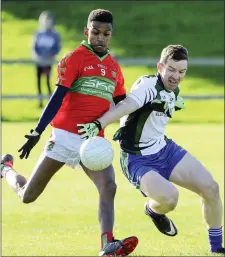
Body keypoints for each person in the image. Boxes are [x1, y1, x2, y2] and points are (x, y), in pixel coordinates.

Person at [1, 9, 138, 256]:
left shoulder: (115, 68)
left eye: (106, 34)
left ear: (110, 35)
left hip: (93, 143)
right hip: (63, 137)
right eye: (95, 32)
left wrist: (134, 130)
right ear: (87, 32)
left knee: (109, 186)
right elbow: (56, 98)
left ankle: (107, 244)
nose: (100, 38)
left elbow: (121, 105)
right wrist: (38, 131)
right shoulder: (74, 58)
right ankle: (6, 169)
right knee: (27, 196)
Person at [77, 45, 225, 254]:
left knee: (211, 188)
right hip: (138, 159)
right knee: (169, 199)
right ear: (160, 66)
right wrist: (99, 124)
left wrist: (173, 102)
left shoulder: (173, 87)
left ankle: (217, 248)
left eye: (182, 72)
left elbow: (161, 105)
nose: (176, 76)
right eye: (171, 70)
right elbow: (127, 105)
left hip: (165, 149)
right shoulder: (148, 85)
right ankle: (153, 210)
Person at [32, 10, 61, 108]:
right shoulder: (38, 33)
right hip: (39, 61)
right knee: (38, 81)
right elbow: (34, 47)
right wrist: (37, 56)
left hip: (48, 62)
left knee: (47, 81)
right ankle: (40, 101)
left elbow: (57, 48)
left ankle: (50, 101)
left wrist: (52, 55)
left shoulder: (54, 35)